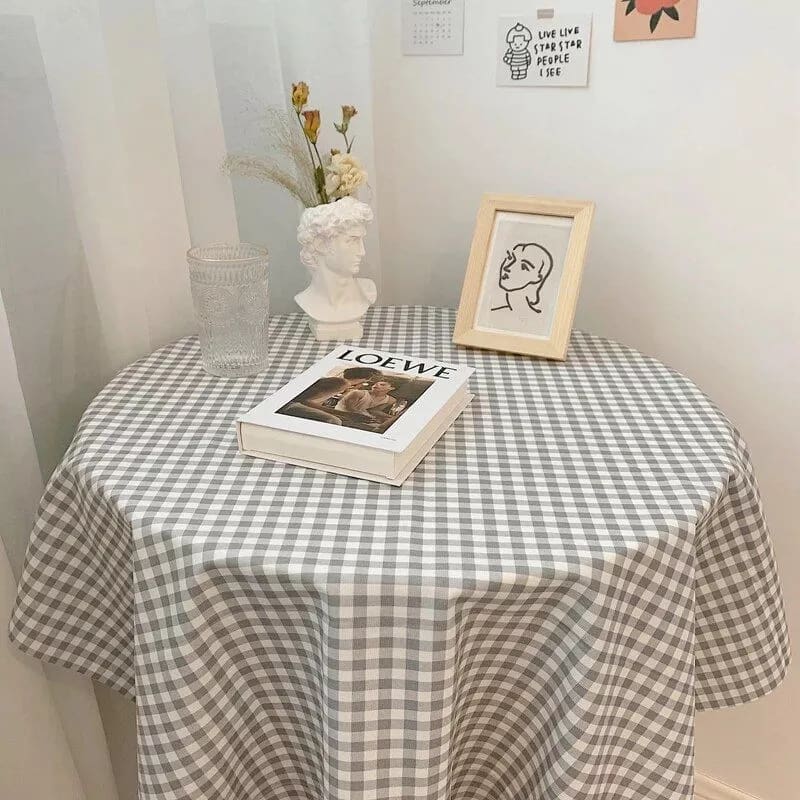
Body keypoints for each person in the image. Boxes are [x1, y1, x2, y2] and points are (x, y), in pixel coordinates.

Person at [278, 367, 379, 424]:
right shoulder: (342, 383)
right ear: (365, 378)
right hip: (290, 405)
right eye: (368, 380)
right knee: (334, 421)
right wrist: (348, 414)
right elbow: (305, 401)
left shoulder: (339, 382)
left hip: (291, 403)